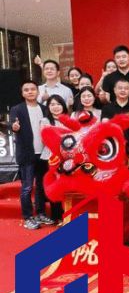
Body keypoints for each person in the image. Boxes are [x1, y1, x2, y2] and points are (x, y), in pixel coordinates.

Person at [9, 81, 52, 230]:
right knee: (27, 187)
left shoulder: (44, 109)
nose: (30, 92)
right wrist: (14, 127)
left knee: (41, 186)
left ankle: (40, 213)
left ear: (37, 92)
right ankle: (28, 217)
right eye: (26, 90)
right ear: (22, 93)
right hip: (27, 154)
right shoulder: (17, 109)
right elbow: (12, 124)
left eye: (33, 89)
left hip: (43, 153)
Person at [40, 94, 68, 223]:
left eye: (58, 104)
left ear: (63, 106)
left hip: (66, 158)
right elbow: (45, 139)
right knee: (54, 186)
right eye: (52, 104)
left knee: (65, 186)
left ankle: (68, 214)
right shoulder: (45, 121)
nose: (55, 107)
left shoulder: (68, 120)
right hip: (50, 157)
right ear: (48, 107)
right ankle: (56, 216)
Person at [101, 77, 129, 154]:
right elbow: (105, 126)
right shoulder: (107, 108)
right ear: (115, 90)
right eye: (120, 88)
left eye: (126, 88)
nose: (123, 90)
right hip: (114, 148)